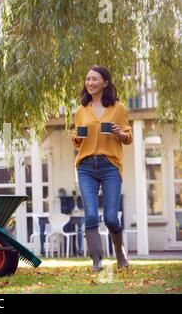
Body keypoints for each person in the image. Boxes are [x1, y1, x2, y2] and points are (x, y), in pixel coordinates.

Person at [71, 66, 133, 272]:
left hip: (110, 166)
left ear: (105, 83)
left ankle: (120, 253)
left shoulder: (119, 108)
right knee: (90, 215)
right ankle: (96, 260)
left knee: (110, 218)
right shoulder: (80, 110)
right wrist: (77, 137)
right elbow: (76, 140)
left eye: (94, 79)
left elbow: (128, 137)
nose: (90, 83)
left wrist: (119, 133)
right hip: (86, 167)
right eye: (87, 79)